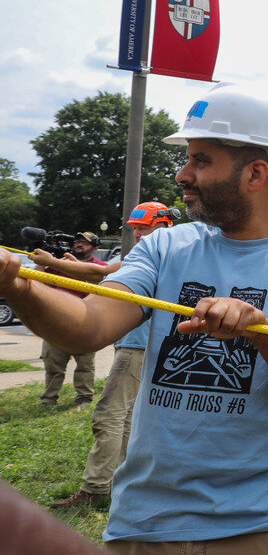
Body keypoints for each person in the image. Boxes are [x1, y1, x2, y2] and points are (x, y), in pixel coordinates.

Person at [0, 82, 268, 555]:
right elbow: (88, 328)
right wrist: (19, 288)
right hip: (144, 526)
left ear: (257, 173)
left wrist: (266, 336)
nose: (183, 174)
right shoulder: (163, 248)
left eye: (201, 160)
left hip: (265, 533)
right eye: (187, 159)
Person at [50, 203, 177, 509]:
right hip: (142, 344)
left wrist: (45, 261)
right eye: (134, 228)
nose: (136, 234)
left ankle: (95, 489)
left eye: (143, 228)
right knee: (129, 418)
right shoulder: (167, 253)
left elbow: (100, 272)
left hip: (136, 347)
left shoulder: (156, 253)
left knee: (109, 414)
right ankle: (119, 480)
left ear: (163, 227)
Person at [29, 230, 113, 406]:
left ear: (95, 247)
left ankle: (84, 397)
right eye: (77, 241)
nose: (79, 244)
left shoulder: (99, 267)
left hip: (85, 321)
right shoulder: (59, 264)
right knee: (53, 365)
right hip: (56, 322)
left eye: (85, 242)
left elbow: (104, 289)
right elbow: (35, 281)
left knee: (85, 365)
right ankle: (49, 398)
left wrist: (78, 269)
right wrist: (46, 260)